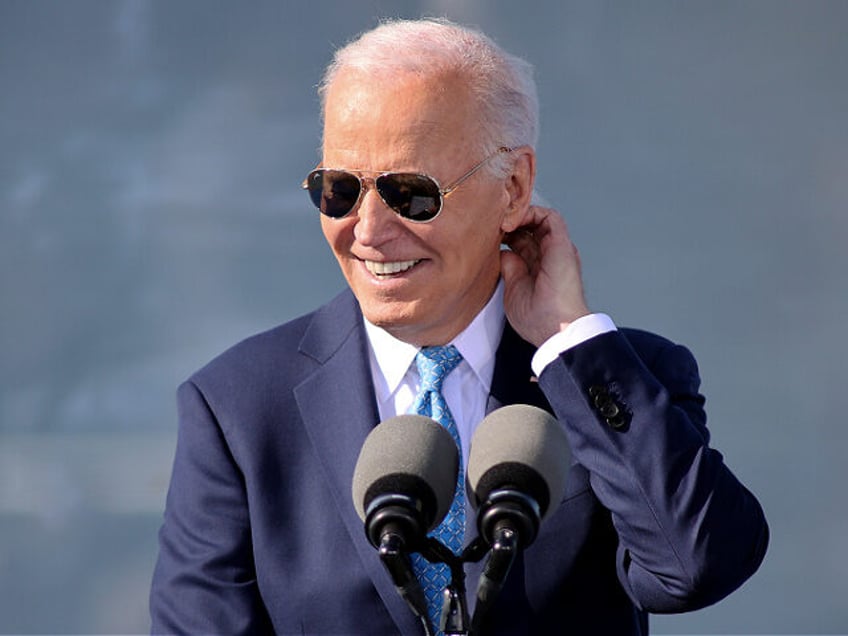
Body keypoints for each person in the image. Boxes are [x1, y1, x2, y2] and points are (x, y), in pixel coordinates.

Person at [150, 17, 768, 636]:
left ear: (514, 187)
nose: (366, 230)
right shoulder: (236, 407)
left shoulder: (615, 377)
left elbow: (695, 568)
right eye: (338, 189)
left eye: (410, 193)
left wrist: (567, 338)